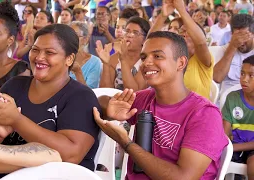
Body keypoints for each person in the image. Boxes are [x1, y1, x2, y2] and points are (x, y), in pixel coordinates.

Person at [94, 31, 228, 180]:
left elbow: (183, 177)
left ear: (181, 63)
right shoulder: (146, 98)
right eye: (144, 57)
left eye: (157, 56)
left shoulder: (205, 114)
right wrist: (108, 109)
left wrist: (127, 144)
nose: (146, 63)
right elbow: (100, 102)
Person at [0, 24, 100, 172]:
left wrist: (17, 120)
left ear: (69, 59)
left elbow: (71, 155)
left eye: (49, 52)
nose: (39, 57)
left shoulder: (81, 97)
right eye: (35, 50)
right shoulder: (14, 86)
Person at [222, 55, 254, 180]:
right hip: (233, 146)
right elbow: (223, 134)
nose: (244, 79)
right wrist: (229, 147)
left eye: (251, 75)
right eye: (242, 73)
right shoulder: (232, 98)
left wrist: (233, 148)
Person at [97, 16, 150, 91]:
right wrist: (105, 64)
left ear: (144, 40)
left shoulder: (146, 61)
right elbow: (104, 91)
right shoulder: (114, 58)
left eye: (135, 33)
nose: (129, 35)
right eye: (127, 31)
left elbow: (134, 92)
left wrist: (123, 59)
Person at [214, 14, 254, 94]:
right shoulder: (225, 49)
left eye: (244, 36)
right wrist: (232, 47)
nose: (240, 41)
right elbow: (217, 78)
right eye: (237, 37)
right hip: (227, 97)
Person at [70, 21, 102, 89]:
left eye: (75, 35)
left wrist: (78, 72)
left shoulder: (94, 62)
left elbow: (90, 93)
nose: (70, 39)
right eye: (69, 35)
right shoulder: (60, 58)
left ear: (85, 39)